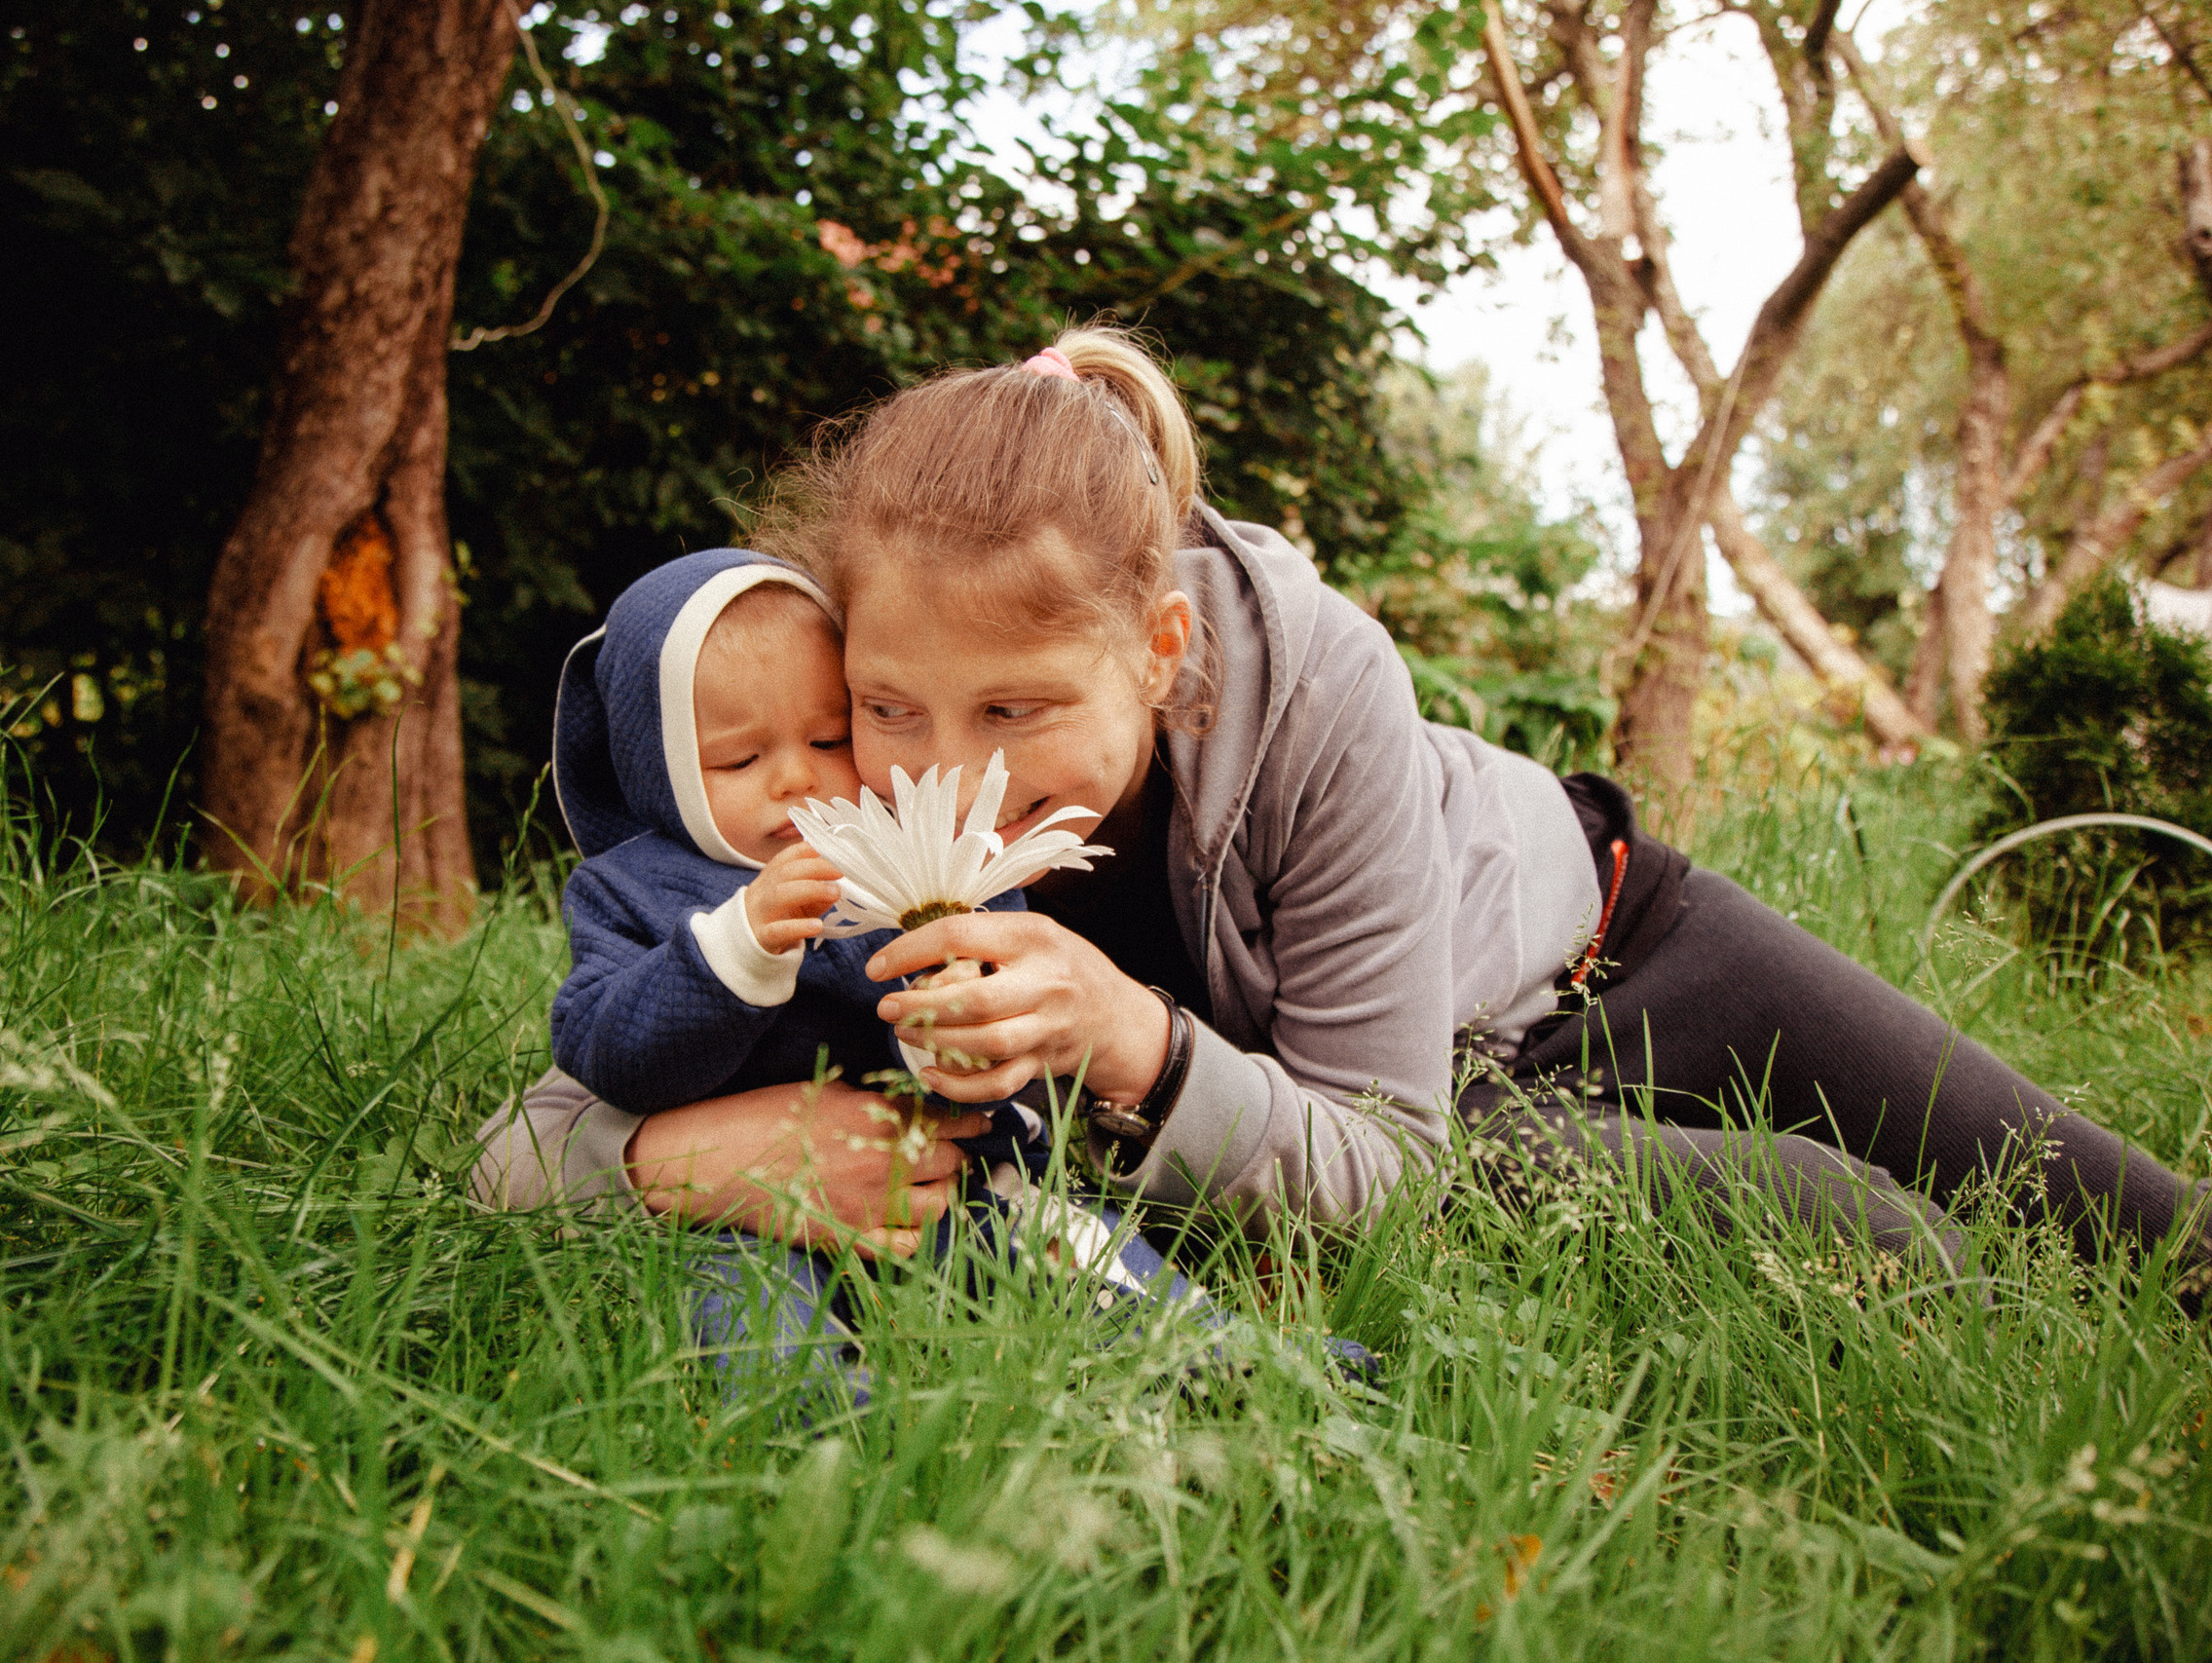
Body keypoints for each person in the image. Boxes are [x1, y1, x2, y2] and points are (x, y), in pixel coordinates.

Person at [475, 327, 2212, 1312]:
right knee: (1848, 1229)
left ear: (1156, 653)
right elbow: (531, 1126)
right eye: (899, 707)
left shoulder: (1312, 680)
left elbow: (1351, 1131)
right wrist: (663, 1156)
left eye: (1022, 712)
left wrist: (1136, 1038)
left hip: (1614, 942)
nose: (958, 775)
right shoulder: (837, 802)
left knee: (2120, 1208)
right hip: (1432, 1113)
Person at [545, 547, 1206, 1395]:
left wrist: (956, 1040)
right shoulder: (627, 891)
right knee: (753, 1331)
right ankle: (820, 1446)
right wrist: (733, 952)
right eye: (740, 759)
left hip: (952, 1179)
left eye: (827, 737)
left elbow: (996, 984)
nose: (795, 777)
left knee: (1087, 1256)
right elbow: (603, 1048)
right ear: (657, 766)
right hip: (740, 1215)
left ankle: (1237, 1365)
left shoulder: (913, 849)